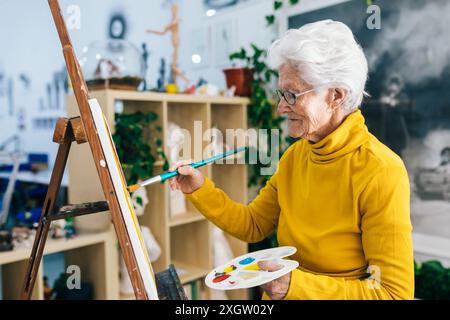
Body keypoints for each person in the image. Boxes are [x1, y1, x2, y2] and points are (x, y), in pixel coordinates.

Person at [169, 20, 414, 300]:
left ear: (335, 96)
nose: (281, 107)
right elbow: (252, 224)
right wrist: (198, 187)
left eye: (292, 94)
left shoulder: (381, 170)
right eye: (281, 93)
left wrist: (295, 287)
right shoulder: (296, 155)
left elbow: (393, 294)